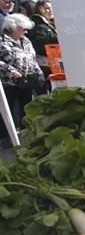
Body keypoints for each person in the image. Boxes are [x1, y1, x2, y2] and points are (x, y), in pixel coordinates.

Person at [0, 14, 45, 147]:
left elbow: (32, 59)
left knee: (27, 108)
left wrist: (39, 75)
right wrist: (12, 72)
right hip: (8, 83)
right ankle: (6, 137)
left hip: (26, 81)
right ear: (13, 27)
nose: (26, 31)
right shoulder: (2, 41)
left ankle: (27, 134)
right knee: (7, 110)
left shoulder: (26, 41)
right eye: (23, 28)